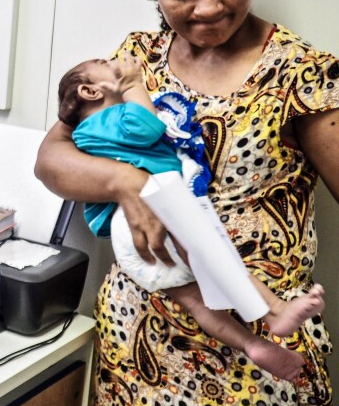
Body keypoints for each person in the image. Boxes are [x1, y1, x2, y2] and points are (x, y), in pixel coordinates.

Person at [35, 0, 337, 406]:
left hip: (257, 360)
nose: (210, 8)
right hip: (139, 347)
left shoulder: (302, 74)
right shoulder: (132, 64)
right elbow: (50, 160)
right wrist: (125, 183)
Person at [57, 54, 325, 381]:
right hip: (151, 214)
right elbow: (147, 128)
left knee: (197, 303)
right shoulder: (107, 120)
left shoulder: (91, 134)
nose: (114, 60)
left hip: (135, 245)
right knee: (214, 254)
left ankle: (252, 345)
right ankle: (275, 311)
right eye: (103, 62)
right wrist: (133, 85)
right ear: (90, 91)